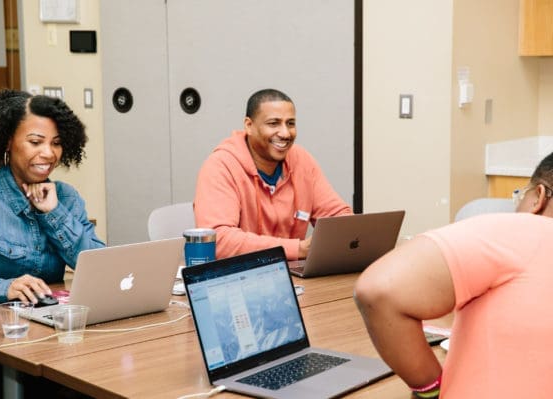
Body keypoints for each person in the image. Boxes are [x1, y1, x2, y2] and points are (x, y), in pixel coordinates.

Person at [353, 152, 553, 398]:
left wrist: (430, 389)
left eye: (521, 195)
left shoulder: (528, 229)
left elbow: (378, 290)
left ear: (538, 198)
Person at [0, 89, 105, 305]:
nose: (49, 153)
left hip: (52, 322)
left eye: (56, 143)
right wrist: (5, 288)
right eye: (35, 142)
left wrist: (54, 213)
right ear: (8, 142)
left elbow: (100, 268)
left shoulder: (67, 198)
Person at [193, 88, 352, 261]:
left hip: (295, 276)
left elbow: (338, 217)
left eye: (290, 123)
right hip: (239, 277)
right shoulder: (221, 166)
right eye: (273, 123)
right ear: (249, 126)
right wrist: (297, 249)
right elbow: (219, 240)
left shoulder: (301, 160)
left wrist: (347, 234)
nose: (285, 133)